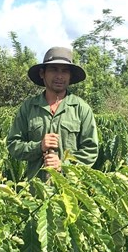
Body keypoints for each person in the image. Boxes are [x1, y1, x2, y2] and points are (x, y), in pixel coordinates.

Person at [7, 46, 99, 180]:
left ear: (70, 76)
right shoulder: (29, 108)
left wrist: (64, 165)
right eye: (53, 69)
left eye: (65, 71)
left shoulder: (81, 108)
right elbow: (13, 145)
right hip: (36, 191)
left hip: (69, 192)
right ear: (42, 73)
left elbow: (90, 150)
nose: (59, 76)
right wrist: (39, 146)